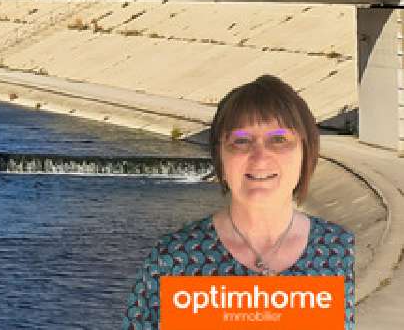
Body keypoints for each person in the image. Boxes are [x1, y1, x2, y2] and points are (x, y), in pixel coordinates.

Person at [122, 74, 354, 329]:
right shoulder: (173, 258)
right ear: (219, 156)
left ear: (306, 151)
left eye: (279, 140)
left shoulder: (341, 250)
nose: (260, 158)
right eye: (241, 141)